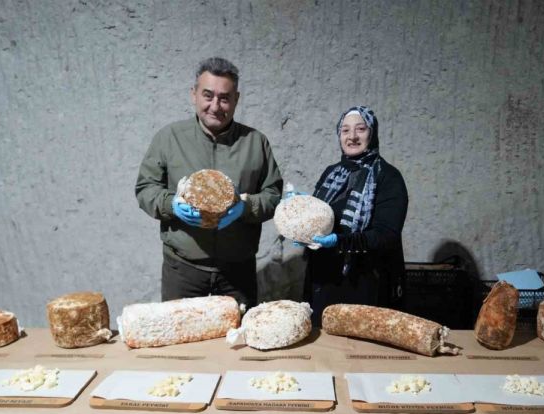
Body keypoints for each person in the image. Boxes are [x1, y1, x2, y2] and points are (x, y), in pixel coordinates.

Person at [135, 57, 283, 308]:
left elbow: (273, 195)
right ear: (193, 94)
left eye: (224, 98)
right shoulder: (169, 138)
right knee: (181, 333)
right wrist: (172, 205)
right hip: (183, 271)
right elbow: (145, 189)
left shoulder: (256, 142)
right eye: (208, 95)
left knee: (238, 331)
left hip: (238, 272)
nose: (215, 106)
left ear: (236, 99)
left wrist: (245, 207)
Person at [302, 105, 408, 326]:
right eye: (345, 130)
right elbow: (317, 219)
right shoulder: (331, 173)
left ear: (372, 133)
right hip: (324, 279)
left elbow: (386, 235)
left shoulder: (388, 177)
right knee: (324, 341)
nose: (352, 137)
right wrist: (300, 221)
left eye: (360, 129)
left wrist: (339, 241)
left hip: (365, 281)